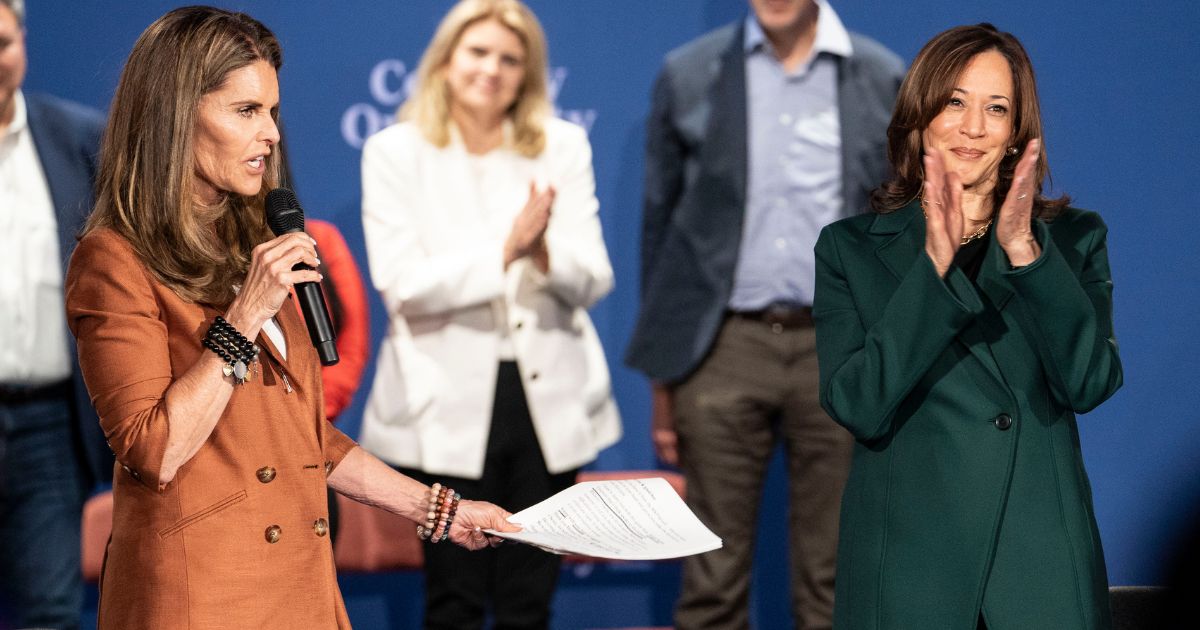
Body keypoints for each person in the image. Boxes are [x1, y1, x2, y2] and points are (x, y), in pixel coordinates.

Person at [63, 7, 517, 628]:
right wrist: (244, 316)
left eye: (272, 112)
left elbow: (303, 436)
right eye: (246, 111)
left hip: (301, 588)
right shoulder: (114, 259)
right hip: (202, 594)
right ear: (174, 117)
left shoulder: (253, 238)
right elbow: (154, 449)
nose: (271, 134)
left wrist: (440, 510)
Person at [812, 23, 1122, 630]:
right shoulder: (849, 249)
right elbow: (858, 403)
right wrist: (935, 267)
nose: (974, 127)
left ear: (1016, 135)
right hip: (907, 568)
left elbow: (1089, 383)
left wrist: (1026, 251)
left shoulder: (1073, 241)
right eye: (955, 102)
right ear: (920, 114)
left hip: (1038, 566)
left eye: (996, 109)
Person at [624, 1, 902, 627]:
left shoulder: (881, 76)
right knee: (711, 576)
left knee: (836, 579)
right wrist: (663, 382)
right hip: (723, 346)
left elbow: (901, 229)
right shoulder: (690, 72)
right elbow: (659, 231)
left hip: (841, 347)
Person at [358, 0, 621, 627]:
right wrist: (506, 251)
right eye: (478, 52)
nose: (492, 69)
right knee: (454, 597)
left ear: (527, 73)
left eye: (510, 58)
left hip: (544, 399)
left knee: (530, 599)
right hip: (442, 398)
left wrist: (544, 252)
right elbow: (401, 284)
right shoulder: (396, 151)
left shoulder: (561, 145)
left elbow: (595, 278)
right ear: (446, 61)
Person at [0, 0, 109, 627]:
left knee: (50, 612)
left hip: (46, 424)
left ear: (23, 41)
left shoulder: (78, 139)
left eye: (0, 41)